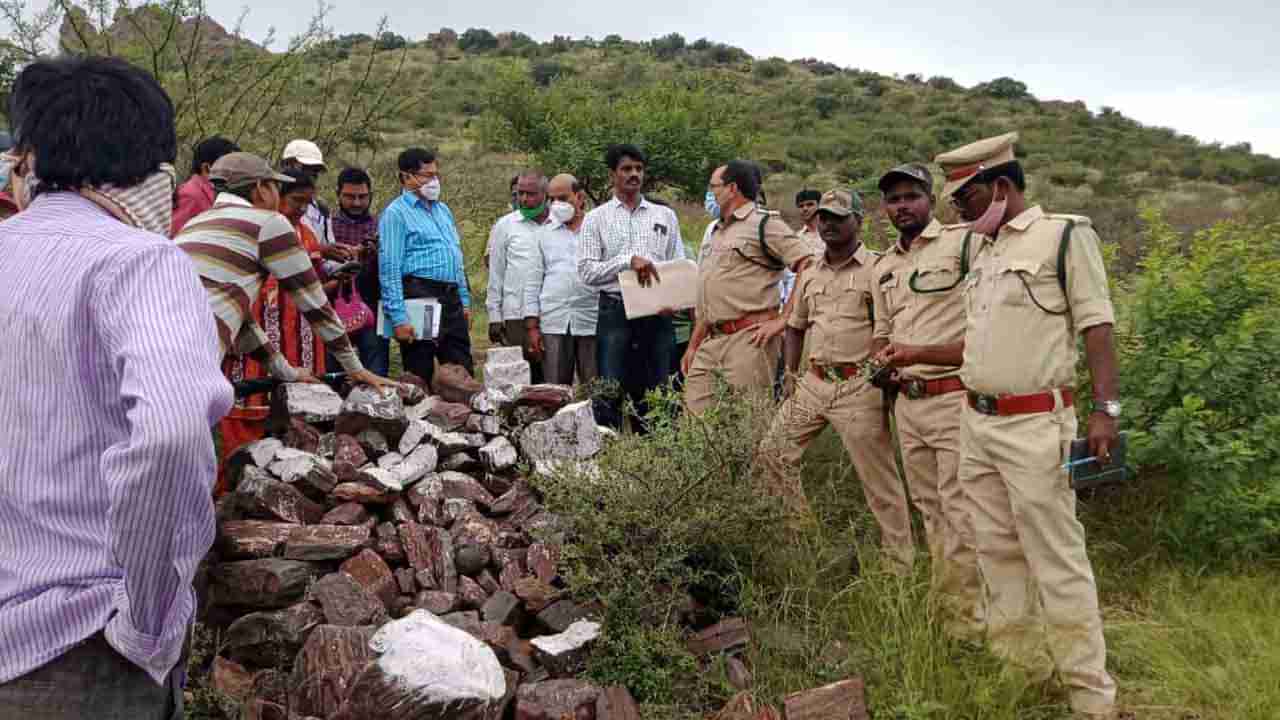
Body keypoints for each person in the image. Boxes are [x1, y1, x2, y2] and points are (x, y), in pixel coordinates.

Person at [0, 55, 233, 720]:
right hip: (83, 649)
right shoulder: (139, 259)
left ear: (31, 155)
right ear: (151, 165)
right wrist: (149, 617)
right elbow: (170, 432)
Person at [938, 132, 1120, 718]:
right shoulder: (982, 249)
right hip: (978, 425)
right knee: (995, 553)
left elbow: (1097, 325)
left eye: (965, 197)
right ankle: (1023, 674)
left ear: (1001, 186)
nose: (957, 210)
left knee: (1057, 559)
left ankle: (1091, 697)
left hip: (1036, 425)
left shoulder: (1065, 236)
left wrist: (1104, 411)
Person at [762, 189, 914, 572]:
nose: (828, 224)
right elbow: (795, 327)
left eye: (839, 217)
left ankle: (899, 564)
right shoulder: (810, 271)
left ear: (857, 222)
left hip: (858, 385)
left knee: (878, 482)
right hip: (812, 383)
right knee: (771, 454)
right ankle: (803, 539)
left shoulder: (877, 269)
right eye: (824, 217)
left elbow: (893, 328)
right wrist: (791, 377)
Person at [868, 162, 984, 640]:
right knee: (930, 508)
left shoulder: (964, 244)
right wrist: (884, 363)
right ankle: (947, 606)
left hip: (953, 398)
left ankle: (970, 624)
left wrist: (918, 353)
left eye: (911, 196)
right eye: (893, 199)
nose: (902, 207)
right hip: (908, 404)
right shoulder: (885, 266)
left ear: (931, 199)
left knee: (961, 509)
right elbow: (882, 333)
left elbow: (984, 327)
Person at [683, 160, 812, 413]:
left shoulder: (764, 224)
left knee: (748, 420)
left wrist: (784, 319)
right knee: (696, 420)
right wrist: (693, 345)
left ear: (732, 188)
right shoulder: (718, 230)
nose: (710, 193)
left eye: (713, 186)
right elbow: (711, 293)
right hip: (711, 340)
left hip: (749, 340)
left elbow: (808, 263)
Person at [577, 143, 686, 430]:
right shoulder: (596, 218)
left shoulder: (664, 216)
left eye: (638, 169)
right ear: (613, 174)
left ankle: (656, 461)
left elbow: (678, 265)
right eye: (626, 169)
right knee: (609, 388)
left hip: (657, 313)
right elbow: (587, 271)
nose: (634, 174)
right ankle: (611, 457)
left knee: (658, 388)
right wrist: (627, 261)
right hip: (615, 311)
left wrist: (673, 298)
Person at [379, 147, 474, 386]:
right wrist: (399, 318)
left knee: (461, 370)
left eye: (436, 174)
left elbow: (455, 256)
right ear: (406, 177)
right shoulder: (396, 213)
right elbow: (389, 268)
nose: (434, 181)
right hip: (419, 295)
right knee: (419, 372)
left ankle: (463, 419)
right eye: (426, 175)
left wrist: (464, 299)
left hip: (450, 296)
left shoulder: (443, 211)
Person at [522, 173, 600, 386]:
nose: (557, 205)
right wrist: (532, 326)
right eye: (552, 199)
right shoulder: (543, 233)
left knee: (596, 387)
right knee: (554, 388)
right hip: (554, 320)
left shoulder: (597, 229)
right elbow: (532, 281)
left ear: (580, 197)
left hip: (591, 319)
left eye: (563, 198)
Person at [488, 170, 550, 382]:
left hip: (554, 313)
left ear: (545, 194)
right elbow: (496, 272)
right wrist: (494, 315)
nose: (524, 199)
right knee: (521, 378)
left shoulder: (558, 224)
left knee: (551, 376)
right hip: (516, 313)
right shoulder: (505, 225)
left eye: (531, 194)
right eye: (520, 193)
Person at [329, 166, 388, 376]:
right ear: (338, 194)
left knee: (376, 367)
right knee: (333, 370)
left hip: (371, 304)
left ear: (370, 196)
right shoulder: (328, 225)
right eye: (349, 196)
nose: (356, 203)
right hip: (333, 305)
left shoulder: (381, 225)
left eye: (362, 197)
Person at [282, 138, 345, 261]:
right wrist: (317, 251)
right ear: (287, 165)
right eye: (305, 168)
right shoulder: (268, 205)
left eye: (315, 171)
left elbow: (328, 256)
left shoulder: (321, 211)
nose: (310, 175)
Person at [171, 135, 239, 235]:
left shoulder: (214, 194)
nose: (237, 171)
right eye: (231, 166)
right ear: (207, 168)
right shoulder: (190, 195)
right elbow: (172, 237)